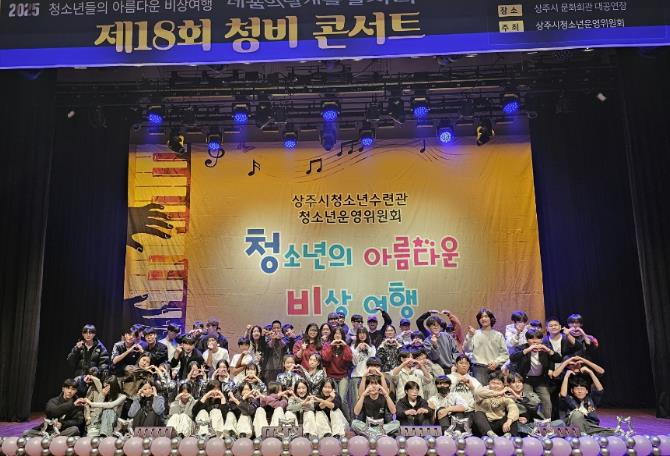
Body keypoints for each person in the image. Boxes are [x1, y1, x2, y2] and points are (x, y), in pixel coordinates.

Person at [509, 328, 561, 419]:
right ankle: (528, 420)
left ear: (541, 339)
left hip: (540, 379)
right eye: (531, 338)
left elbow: (558, 359)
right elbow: (512, 358)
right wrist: (528, 350)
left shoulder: (545, 348)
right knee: (528, 400)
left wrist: (548, 350)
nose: (535, 341)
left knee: (546, 400)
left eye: (538, 338)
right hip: (525, 379)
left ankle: (546, 422)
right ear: (527, 339)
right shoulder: (522, 348)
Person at [559, 367, 613, 435]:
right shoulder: (570, 399)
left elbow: (600, 390)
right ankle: (582, 435)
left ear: (587, 391)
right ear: (572, 391)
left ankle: (586, 434)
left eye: (582, 389)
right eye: (577, 389)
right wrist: (566, 376)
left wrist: (591, 372)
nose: (580, 391)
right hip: (574, 426)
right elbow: (563, 395)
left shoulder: (591, 399)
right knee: (577, 414)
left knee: (612, 431)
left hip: (589, 426)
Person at [463, 308, 509, 387]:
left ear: (491, 318)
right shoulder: (474, 333)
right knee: (480, 391)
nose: (483, 319)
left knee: (495, 391)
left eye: (486, 316)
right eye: (481, 317)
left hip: (495, 369)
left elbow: (505, 354)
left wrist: (497, 362)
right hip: (478, 369)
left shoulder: (498, 335)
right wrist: (470, 335)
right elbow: (466, 349)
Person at [320, 326, 353, 420]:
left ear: (342, 335)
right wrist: (331, 345)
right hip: (331, 377)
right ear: (333, 335)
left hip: (343, 376)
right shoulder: (328, 345)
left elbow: (348, 358)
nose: (337, 335)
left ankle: (348, 420)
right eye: (335, 333)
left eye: (339, 333)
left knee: (342, 399)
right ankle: (337, 419)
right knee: (334, 398)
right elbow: (326, 358)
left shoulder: (345, 346)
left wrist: (345, 346)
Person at [473, 372, 519, 437]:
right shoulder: (482, 392)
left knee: (512, 417)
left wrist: (508, 422)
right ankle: (490, 434)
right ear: (488, 383)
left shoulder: (505, 397)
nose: (495, 386)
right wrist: (499, 393)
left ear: (503, 385)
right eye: (493, 383)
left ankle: (508, 436)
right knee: (478, 414)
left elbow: (513, 408)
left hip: (499, 424)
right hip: (484, 426)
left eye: (498, 383)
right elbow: (477, 393)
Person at [447, 355, 482, 430]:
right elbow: (445, 393)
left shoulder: (474, 380)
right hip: (454, 409)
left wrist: (472, 388)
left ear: (469, 366)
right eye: (461, 363)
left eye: (466, 363)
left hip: (470, 410)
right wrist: (456, 381)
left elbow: (480, 398)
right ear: (456, 365)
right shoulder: (449, 378)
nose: (464, 365)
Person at [351, 327, 376, 406]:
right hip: (356, 376)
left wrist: (367, 347)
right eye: (360, 333)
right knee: (357, 399)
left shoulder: (372, 347)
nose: (362, 335)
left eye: (364, 333)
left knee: (369, 398)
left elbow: (372, 361)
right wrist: (358, 349)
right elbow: (354, 362)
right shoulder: (353, 347)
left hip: (369, 376)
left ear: (367, 335)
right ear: (357, 335)